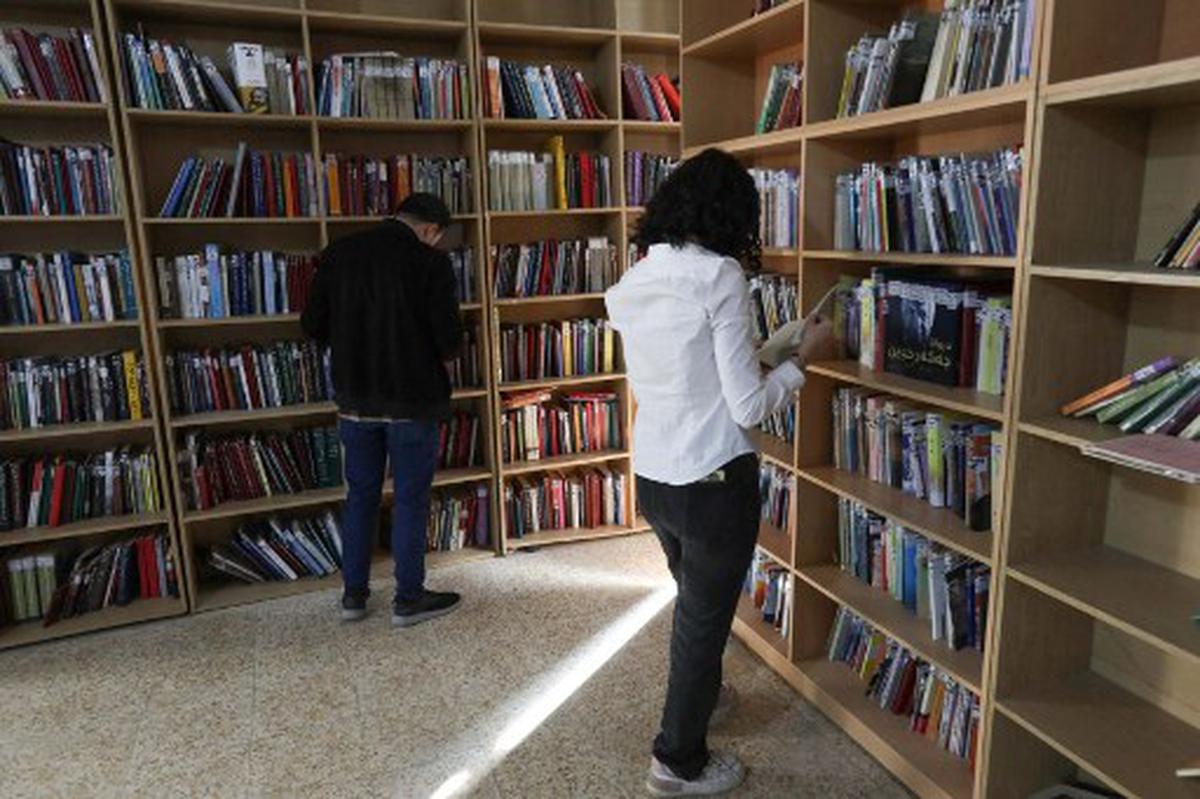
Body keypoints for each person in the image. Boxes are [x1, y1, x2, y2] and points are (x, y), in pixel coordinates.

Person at [605, 149, 832, 796]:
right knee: (701, 621)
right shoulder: (722, 276)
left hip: (655, 476)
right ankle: (677, 760)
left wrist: (775, 345)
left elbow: (696, 372)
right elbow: (748, 406)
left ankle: (700, 696)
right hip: (713, 481)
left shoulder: (637, 279)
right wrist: (804, 361)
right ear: (733, 214)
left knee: (695, 610)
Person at [301, 192, 464, 627]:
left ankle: (354, 597)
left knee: (360, 499)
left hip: (355, 401)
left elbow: (312, 325)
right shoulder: (431, 264)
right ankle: (408, 600)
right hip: (413, 402)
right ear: (430, 229)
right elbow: (449, 344)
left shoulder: (339, 254)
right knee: (410, 501)